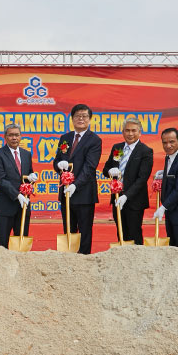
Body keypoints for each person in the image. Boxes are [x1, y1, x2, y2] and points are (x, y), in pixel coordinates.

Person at [53, 103, 101, 254]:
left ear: (89, 119)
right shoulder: (65, 138)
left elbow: (89, 167)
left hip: (84, 193)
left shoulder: (94, 140)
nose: (81, 119)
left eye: (84, 116)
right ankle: (70, 257)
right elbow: (57, 160)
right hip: (66, 193)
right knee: (69, 228)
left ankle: (84, 258)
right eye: (77, 116)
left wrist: (75, 185)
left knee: (85, 230)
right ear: (72, 119)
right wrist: (58, 165)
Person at [102, 117, 154, 245]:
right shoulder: (117, 148)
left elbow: (142, 178)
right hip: (117, 198)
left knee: (134, 234)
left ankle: (137, 256)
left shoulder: (145, 151)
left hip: (134, 201)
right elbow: (106, 169)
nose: (130, 134)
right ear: (123, 132)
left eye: (134, 130)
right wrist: (110, 171)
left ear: (140, 132)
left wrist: (126, 196)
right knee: (121, 233)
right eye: (127, 130)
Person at [0, 123, 37, 247]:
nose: (14, 138)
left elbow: (28, 174)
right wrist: (17, 195)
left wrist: (32, 177)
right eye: (11, 135)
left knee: (21, 241)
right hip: (4, 205)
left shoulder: (26, 154)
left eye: (17, 135)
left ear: (21, 136)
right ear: (5, 137)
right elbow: (0, 179)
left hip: (23, 205)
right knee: (3, 244)